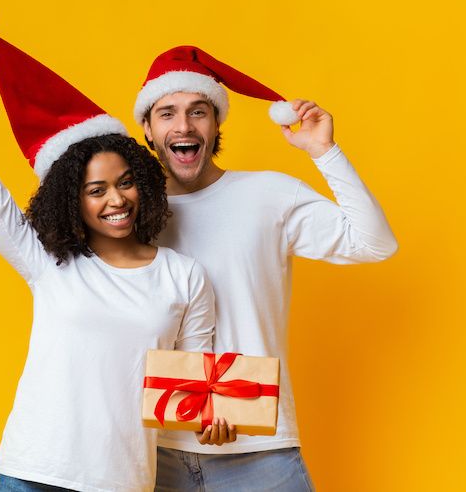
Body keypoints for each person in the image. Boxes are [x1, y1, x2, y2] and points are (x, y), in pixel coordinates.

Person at [0, 14, 229, 492]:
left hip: (123, 481)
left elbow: (188, 389)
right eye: (95, 190)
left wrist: (211, 420)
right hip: (31, 474)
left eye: (124, 183)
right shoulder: (49, 263)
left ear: (143, 183)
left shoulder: (185, 276)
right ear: (71, 200)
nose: (115, 200)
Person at [132, 46, 399, 490]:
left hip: (261, 452)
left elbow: (375, 243)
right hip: (154, 454)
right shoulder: (125, 215)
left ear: (216, 122)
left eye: (198, 111)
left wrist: (324, 151)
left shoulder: (268, 195)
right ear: (148, 126)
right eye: (167, 113)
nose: (183, 125)